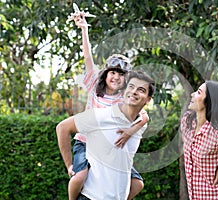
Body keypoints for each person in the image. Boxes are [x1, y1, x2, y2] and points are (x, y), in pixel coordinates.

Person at [67, 13, 147, 200]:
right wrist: (84, 30)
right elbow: (87, 57)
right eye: (113, 72)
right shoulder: (94, 86)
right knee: (79, 176)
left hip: (107, 149)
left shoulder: (124, 99)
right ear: (106, 74)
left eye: (120, 75)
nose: (116, 77)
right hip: (86, 143)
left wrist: (129, 132)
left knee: (137, 183)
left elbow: (144, 117)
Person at [56, 70, 155, 200]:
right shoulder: (101, 116)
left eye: (141, 90)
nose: (134, 91)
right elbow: (62, 127)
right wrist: (69, 165)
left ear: (148, 100)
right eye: (131, 87)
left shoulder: (141, 124)